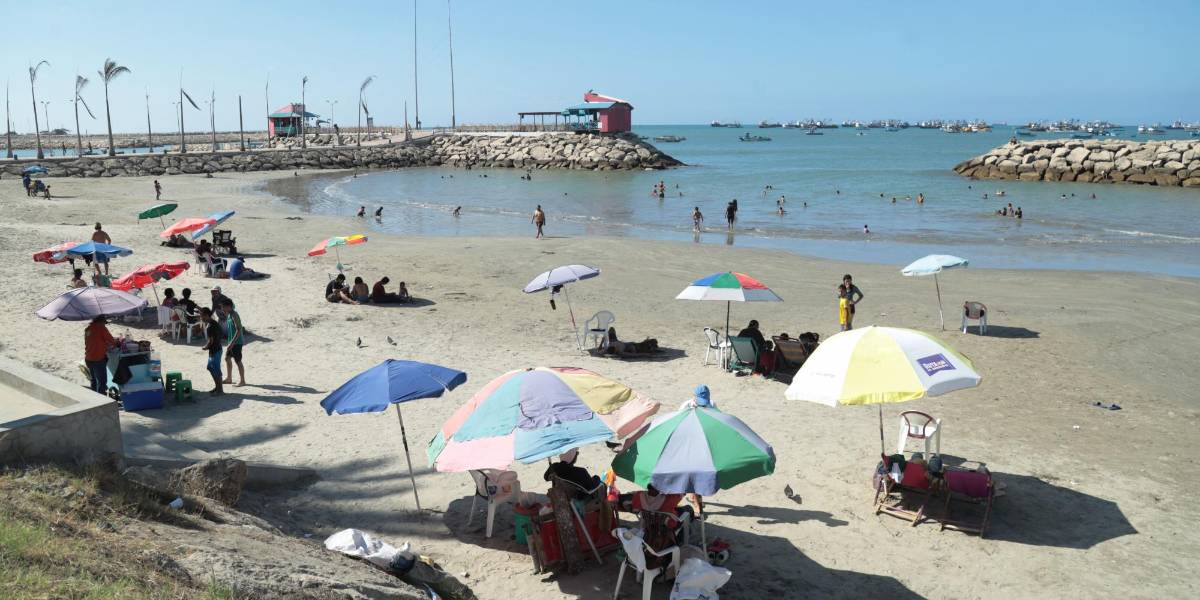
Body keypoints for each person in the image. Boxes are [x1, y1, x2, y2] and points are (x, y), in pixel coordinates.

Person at [84, 316, 117, 396]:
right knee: (102, 381)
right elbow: (111, 340)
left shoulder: (88, 329)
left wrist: (104, 344)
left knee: (93, 380)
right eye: (104, 323)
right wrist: (118, 343)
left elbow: (91, 342)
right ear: (101, 321)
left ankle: (94, 398)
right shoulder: (101, 328)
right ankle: (102, 399)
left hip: (88, 358)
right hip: (98, 359)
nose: (104, 324)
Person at [220, 299, 245, 387]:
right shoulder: (229, 315)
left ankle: (242, 381)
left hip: (237, 342)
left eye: (223, 307)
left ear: (228, 306)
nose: (222, 309)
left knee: (238, 361)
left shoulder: (234, 315)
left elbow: (239, 330)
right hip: (231, 342)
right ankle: (229, 378)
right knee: (227, 358)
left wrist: (232, 343)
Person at [199, 307, 224, 396]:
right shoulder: (214, 323)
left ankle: (220, 390)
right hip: (217, 349)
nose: (201, 318)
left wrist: (205, 347)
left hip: (215, 350)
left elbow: (211, 340)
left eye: (201, 316)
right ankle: (218, 387)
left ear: (206, 315)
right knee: (211, 367)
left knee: (215, 369)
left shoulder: (210, 326)